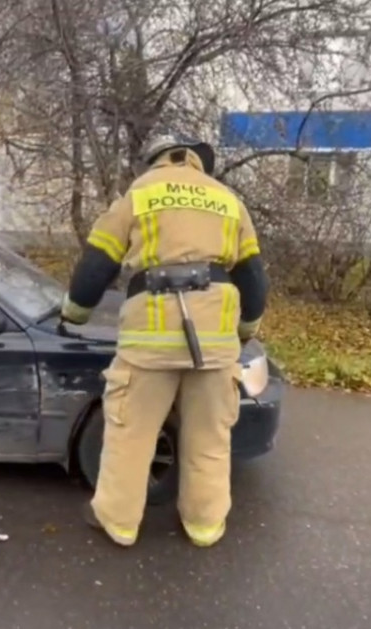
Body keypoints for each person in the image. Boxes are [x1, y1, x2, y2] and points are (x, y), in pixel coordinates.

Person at [59, 133, 269, 548]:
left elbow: (97, 263)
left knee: (130, 434)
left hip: (149, 344)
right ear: (197, 163)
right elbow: (253, 276)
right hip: (214, 344)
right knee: (209, 438)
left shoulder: (141, 193)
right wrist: (246, 330)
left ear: (155, 161)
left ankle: (118, 522)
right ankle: (204, 526)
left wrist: (75, 311)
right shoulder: (228, 200)